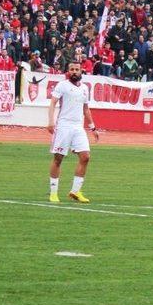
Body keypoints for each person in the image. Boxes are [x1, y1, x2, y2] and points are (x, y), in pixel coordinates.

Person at [47, 60, 99, 203]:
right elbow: (53, 103)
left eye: (77, 69)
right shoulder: (62, 85)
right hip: (64, 125)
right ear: (68, 71)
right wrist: (51, 121)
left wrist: (93, 127)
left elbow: (86, 109)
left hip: (78, 127)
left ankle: (75, 191)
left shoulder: (84, 88)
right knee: (58, 159)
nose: (74, 71)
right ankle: (53, 193)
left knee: (85, 157)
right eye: (72, 69)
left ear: (81, 71)